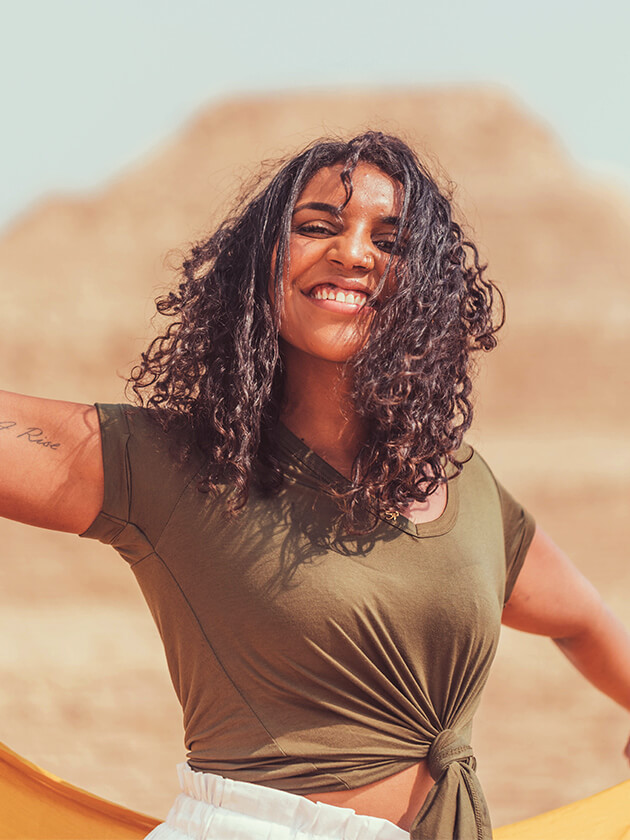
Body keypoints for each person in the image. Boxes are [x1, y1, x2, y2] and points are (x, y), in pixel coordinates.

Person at [1, 131, 629, 840]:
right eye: (317, 227)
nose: (353, 252)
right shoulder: (175, 463)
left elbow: (583, 622)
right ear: (259, 262)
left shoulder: (465, 486)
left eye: (389, 241)